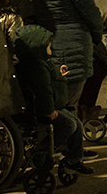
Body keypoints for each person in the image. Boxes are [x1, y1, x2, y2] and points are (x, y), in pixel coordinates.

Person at [29, 0, 104, 113]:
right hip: (75, 45)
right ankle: (67, 137)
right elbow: (91, 13)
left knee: (53, 100)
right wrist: (97, 35)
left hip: (49, 45)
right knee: (69, 103)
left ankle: (54, 136)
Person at [12, 24, 92, 174]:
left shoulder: (41, 63)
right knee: (69, 125)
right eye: (48, 47)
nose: (51, 50)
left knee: (76, 123)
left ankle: (74, 158)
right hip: (43, 109)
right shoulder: (36, 66)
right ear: (37, 47)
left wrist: (58, 76)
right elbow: (43, 90)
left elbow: (48, 83)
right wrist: (48, 110)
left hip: (52, 105)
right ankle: (42, 153)